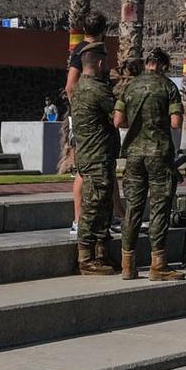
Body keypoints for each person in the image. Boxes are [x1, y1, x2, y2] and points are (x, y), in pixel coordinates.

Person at [116, 47, 184, 281]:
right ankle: (158, 264)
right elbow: (175, 123)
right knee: (159, 208)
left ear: (146, 63)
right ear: (163, 65)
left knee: (133, 208)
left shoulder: (129, 86)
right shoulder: (168, 86)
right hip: (159, 154)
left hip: (134, 155)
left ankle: (128, 265)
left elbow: (118, 120)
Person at [69, 43, 118, 274]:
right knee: (94, 206)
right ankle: (86, 257)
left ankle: (101, 253)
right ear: (99, 63)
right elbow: (118, 116)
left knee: (103, 204)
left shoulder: (79, 87)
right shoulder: (97, 89)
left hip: (91, 153)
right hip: (97, 155)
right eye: (105, 62)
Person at [64, 11, 108, 236]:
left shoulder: (92, 50)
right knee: (83, 169)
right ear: (103, 30)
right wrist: (80, 111)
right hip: (86, 118)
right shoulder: (81, 51)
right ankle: (78, 219)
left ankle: (114, 214)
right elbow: (70, 85)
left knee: (104, 165)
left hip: (95, 118)